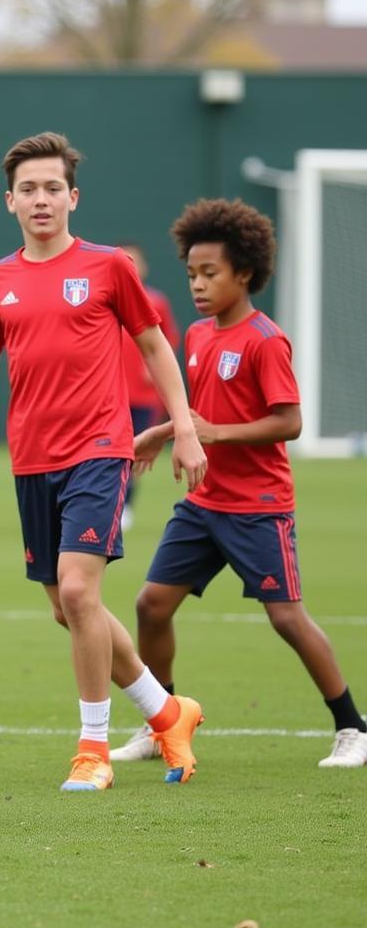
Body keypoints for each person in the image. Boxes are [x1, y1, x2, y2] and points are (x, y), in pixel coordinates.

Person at [0, 131, 207, 792]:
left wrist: (183, 427)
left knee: (77, 591)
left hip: (100, 448)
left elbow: (154, 349)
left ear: (74, 196)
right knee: (71, 611)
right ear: (10, 201)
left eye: (52, 188)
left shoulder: (109, 267)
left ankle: (92, 750)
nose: (41, 199)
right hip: (30, 460)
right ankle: (168, 712)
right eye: (28, 189)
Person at [112, 197, 367, 769]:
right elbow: (195, 413)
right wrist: (160, 436)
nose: (198, 285)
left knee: (286, 618)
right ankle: (164, 721)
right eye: (192, 274)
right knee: (151, 605)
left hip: (258, 506)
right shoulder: (199, 336)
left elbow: (289, 422)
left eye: (211, 274)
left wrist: (215, 434)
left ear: (244, 273)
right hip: (203, 504)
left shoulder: (264, 339)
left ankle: (353, 726)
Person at [118, 242, 180, 531]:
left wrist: (148, 367)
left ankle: (126, 504)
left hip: (143, 396)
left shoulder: (156, 302)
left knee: (135, 452)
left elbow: (167, 341)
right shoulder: (105, 300)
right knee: (110, 453)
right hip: (111, 394)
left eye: (135, 260)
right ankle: (111, 504)